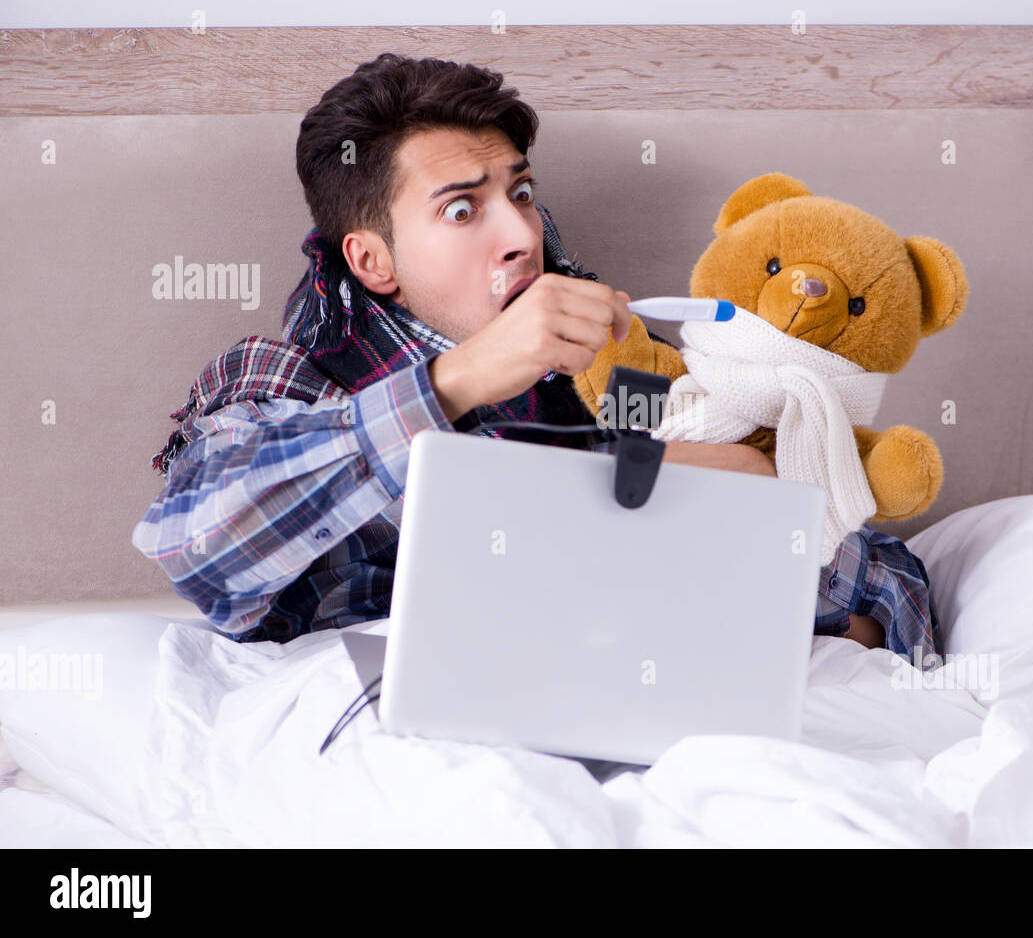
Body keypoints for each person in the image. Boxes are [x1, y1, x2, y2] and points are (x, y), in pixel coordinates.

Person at [132, 52, 943, 667]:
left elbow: (894, 597)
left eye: (519, 193)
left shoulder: (618, 375)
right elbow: (203, 551)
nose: (521, 233)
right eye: (461, 209)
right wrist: (461, 381)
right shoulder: (287, 379)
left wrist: (761, 505)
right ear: (374, 261)